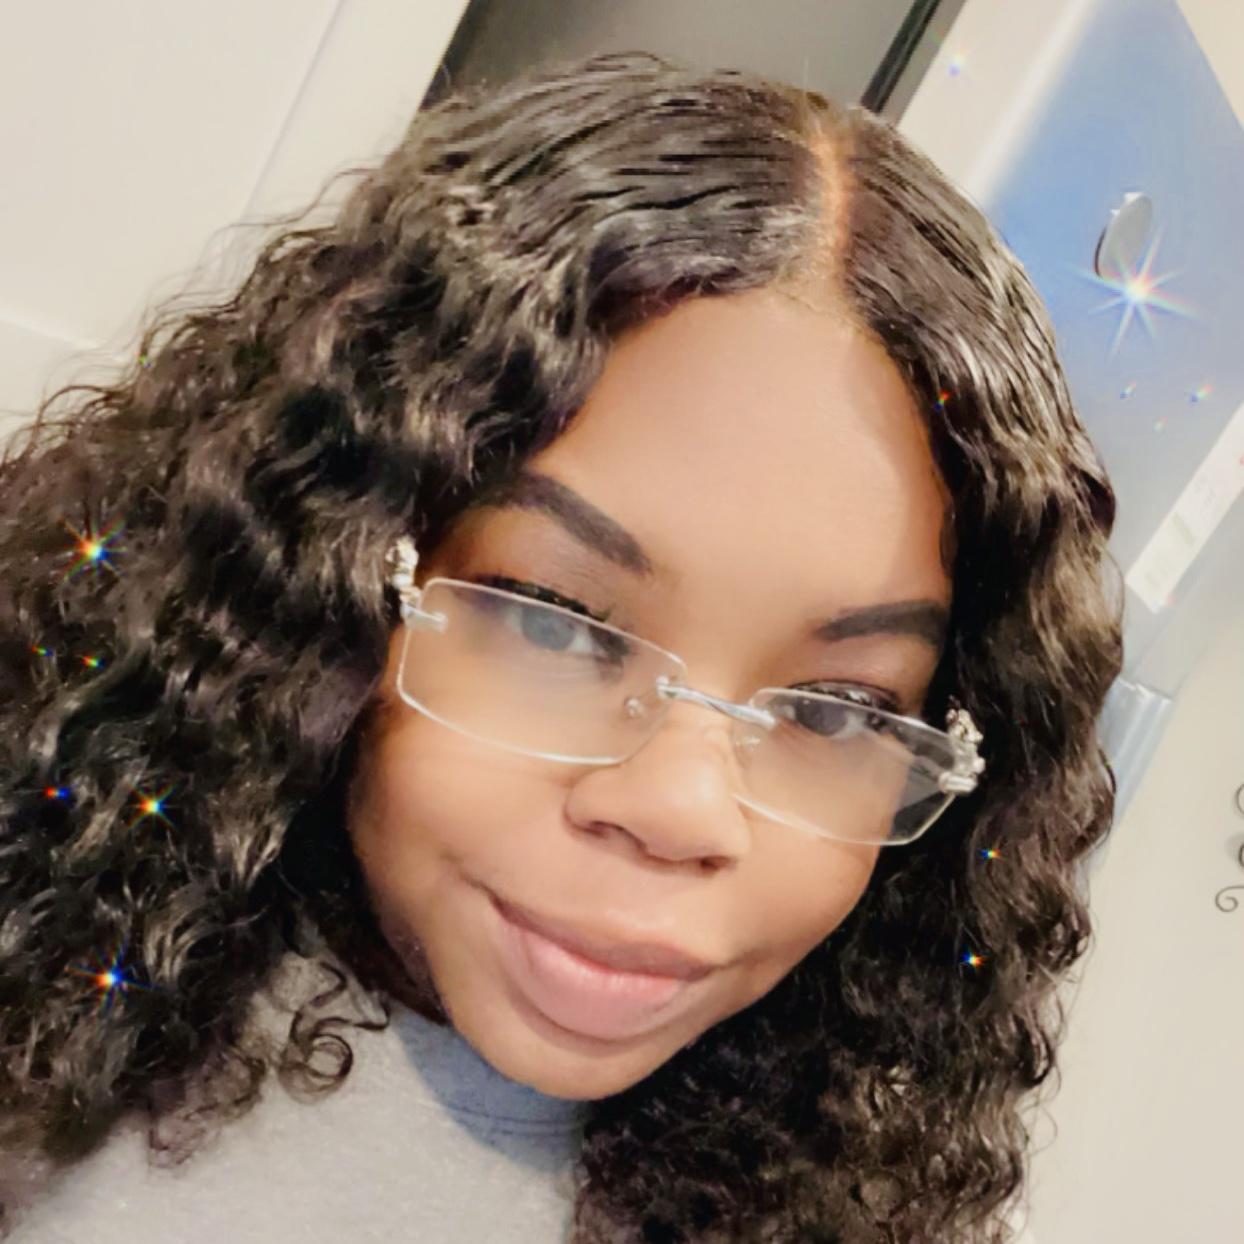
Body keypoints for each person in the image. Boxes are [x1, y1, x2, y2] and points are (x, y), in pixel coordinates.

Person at [0, 49, 1122, 1244]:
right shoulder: (43, 1061)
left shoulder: (841, 1197)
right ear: (319, 577)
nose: (682, 809)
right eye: (554, 618)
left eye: (835, 707)